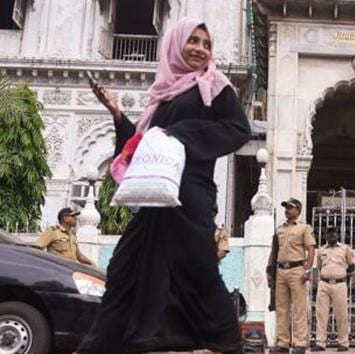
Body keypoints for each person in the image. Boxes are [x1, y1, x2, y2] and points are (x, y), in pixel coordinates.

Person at [77, 18, 251, 354]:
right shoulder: (161, 96)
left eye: (206, 43)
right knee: (125, 266)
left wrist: (182, 134)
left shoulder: (214, 84)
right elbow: (141, 146)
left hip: (190, 196)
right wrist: (117, 115)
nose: (199, 48)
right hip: (156, 198)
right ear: (175, 43)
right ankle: (102, 345)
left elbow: (237, 129)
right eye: (193, 41)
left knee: (197, 269)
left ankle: (230, 345)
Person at [266, 198, 316, 354]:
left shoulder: (304, 228)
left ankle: (300, 343)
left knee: (299, 308)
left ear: (298, 210)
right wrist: (269, 271)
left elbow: (311, 249)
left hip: (297, 270)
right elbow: (274, 252)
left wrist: (307, 270)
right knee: (281, 308)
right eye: (285, 207)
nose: (287, 210)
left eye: (290, 207)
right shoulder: (279, 229)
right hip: (281, 271)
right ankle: (283, 343)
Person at [311, 227, 355, 352]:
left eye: (333, 233)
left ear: (337, 234)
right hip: (324, 283)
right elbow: (319, 267)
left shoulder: (345, 248)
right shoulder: (321, 250)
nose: (331, 235)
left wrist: (343, 276)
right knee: (321, 314)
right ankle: (320, 342)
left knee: (342, 314)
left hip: (340, 284)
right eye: (328, 233)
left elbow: (351, 266)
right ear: (325, 235)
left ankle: (344, 342)